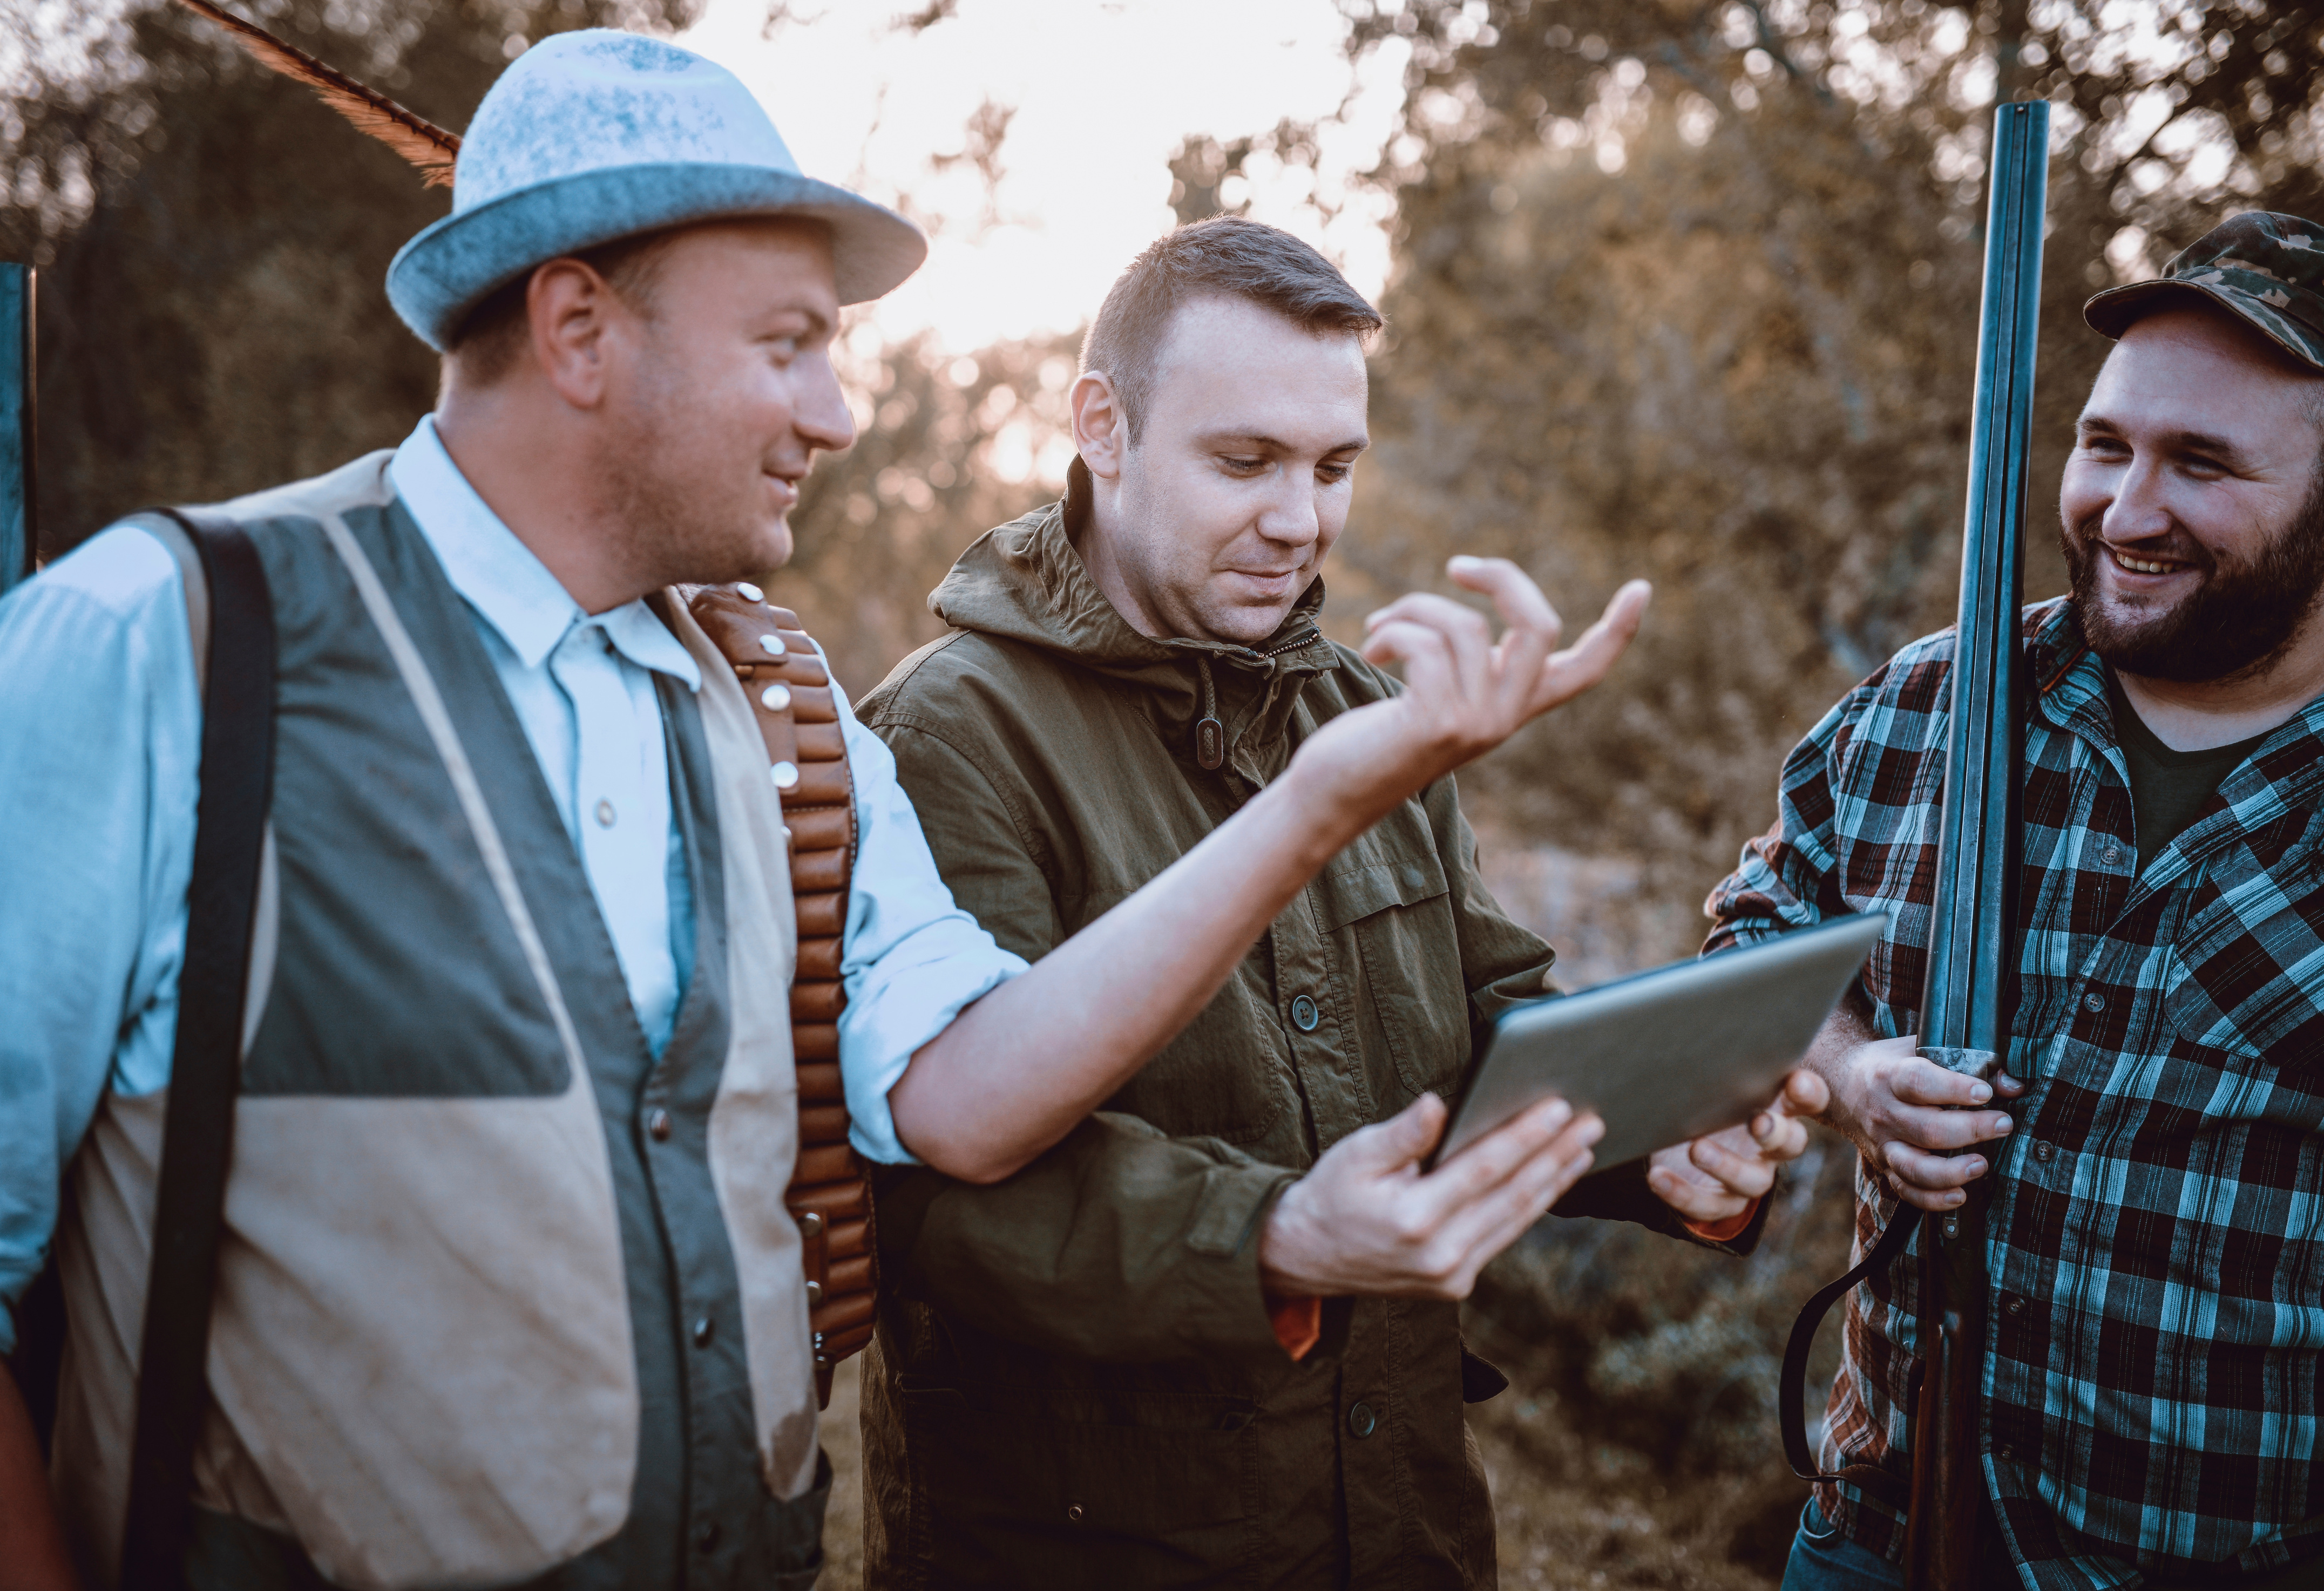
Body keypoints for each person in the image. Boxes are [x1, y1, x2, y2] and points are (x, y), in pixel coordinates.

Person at [0, 35, 1677, 1591]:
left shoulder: (785, 715)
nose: (840, 410)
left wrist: (1318, 803)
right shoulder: (166, 640)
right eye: (788, 345)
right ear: (579, 330)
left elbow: (964, 1098)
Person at [851, 215, 1831, 1588]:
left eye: (1333, 467)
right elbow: (936, 1197)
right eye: (1244, 461)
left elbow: (1485, 1026)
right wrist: (1278, 1238)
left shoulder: (1365, 707)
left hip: (1403, 1521)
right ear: (1103, 426)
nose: (1300, 520)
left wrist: (1652, 1147)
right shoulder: (949, 735)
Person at [1710, 212, 2324, 1590]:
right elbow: (1756, 929)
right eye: (2106, 446)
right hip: (1880, 1535)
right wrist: (1853, 1069)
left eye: (2202, 463)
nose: (2128, 511)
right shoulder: (1935, 700)